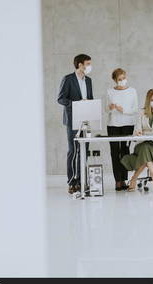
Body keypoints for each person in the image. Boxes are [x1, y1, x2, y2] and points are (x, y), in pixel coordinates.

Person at [57, 54, 94, 194]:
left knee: (84, 150)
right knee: (73, 150)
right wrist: (76, 105)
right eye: (88, 63)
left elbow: (90, 98)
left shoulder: (89, 81)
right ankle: (72, 181)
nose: (90, 66)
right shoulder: (68, 79)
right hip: (73, 119)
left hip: (86, 120)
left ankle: (81, 181)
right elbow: (61, 99)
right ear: (80, 65)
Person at [121, 89, 153, 192]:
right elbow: (137, 131)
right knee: (145, 147)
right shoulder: (141, 112)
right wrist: (151, 133)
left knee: (146, 151)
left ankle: (134, 179)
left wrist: (146, 133)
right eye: (152, 100)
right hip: (141, 144)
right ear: (148, 101)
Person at [106, 68, 139, 191]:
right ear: (115, 80)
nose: (122, 81)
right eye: (119, 79)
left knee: (124, 150)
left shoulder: (132, 91)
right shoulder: (110, 92)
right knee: (114, 152)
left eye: (123, 78)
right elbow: (106, 110)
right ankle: (117, 181)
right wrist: (110, 108)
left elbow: (135, 109)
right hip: (113, 124)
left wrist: (123, 110)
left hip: (127, 124)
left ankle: (124, 179)